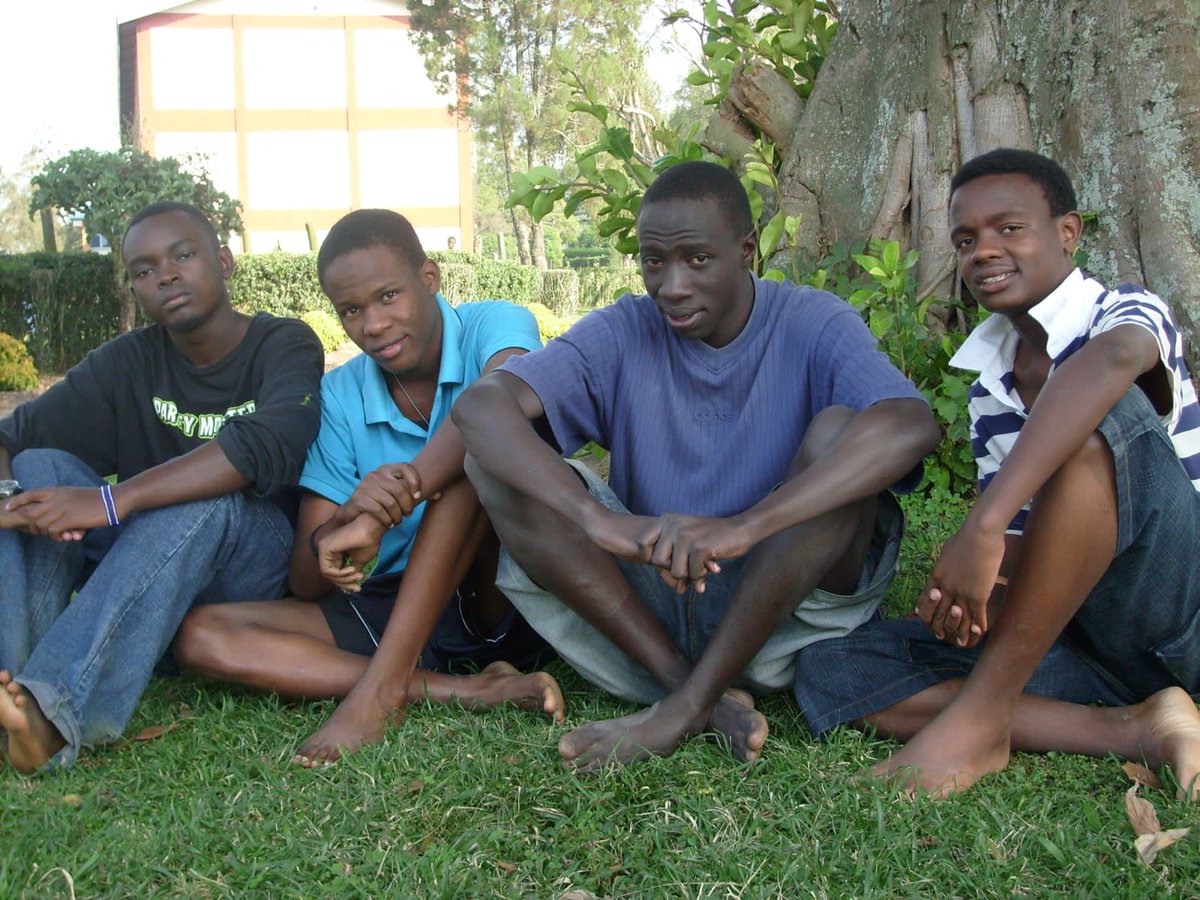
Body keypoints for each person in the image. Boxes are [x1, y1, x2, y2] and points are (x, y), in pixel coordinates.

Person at [452, 161, 940, 771]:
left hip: (781, 612)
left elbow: (911, 422)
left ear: (745, 251)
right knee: (490, 460)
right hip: (645, 609)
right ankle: (689, 690)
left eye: (697, 260)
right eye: (655, 261)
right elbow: (480, 406)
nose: (672, 286)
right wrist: (594, 517)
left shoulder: (813, 321)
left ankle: (680, 707)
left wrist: (747, 526)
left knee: (841, 432)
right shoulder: (624, 329)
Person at [795, 148, 1200, 798]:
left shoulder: (1122, 313)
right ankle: (1137, 727)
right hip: (1082, 646)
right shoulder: (989, 383)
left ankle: (981, 720)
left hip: (1175, 618)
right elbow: (1023, 541)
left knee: (1099, 414)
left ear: (1067, 233)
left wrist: (979, 527)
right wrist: (973, 599)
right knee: (830, 666)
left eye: (1008, 228)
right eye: (965, 239)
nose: (983, 250)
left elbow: (1113, 364)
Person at [174, 209, 563, 767]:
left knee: (480, 456)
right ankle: (457, 689)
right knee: (200, 635)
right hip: (394, 604)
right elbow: (307, 583)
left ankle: (381, 690)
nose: (373, 325)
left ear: (429, 279)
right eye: (351, 310)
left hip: (497, 589)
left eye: (388, 296)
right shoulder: (340, 395)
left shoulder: (495, 324)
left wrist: (396, 501)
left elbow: (496, 405)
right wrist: (348, 515)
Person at [0, 201, 323, 772]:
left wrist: (108, 500)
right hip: (146, 564)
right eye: (144, 270)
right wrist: (8, 500)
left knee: (206, 492)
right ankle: (17, 694)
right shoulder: (124, 363)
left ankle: (57, 718)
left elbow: (263, 447)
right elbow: (11, 436)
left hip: (249, 569)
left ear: (223, 262)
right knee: (40, 464)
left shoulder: (284, 343)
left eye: (183, 255)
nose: (166, 275)